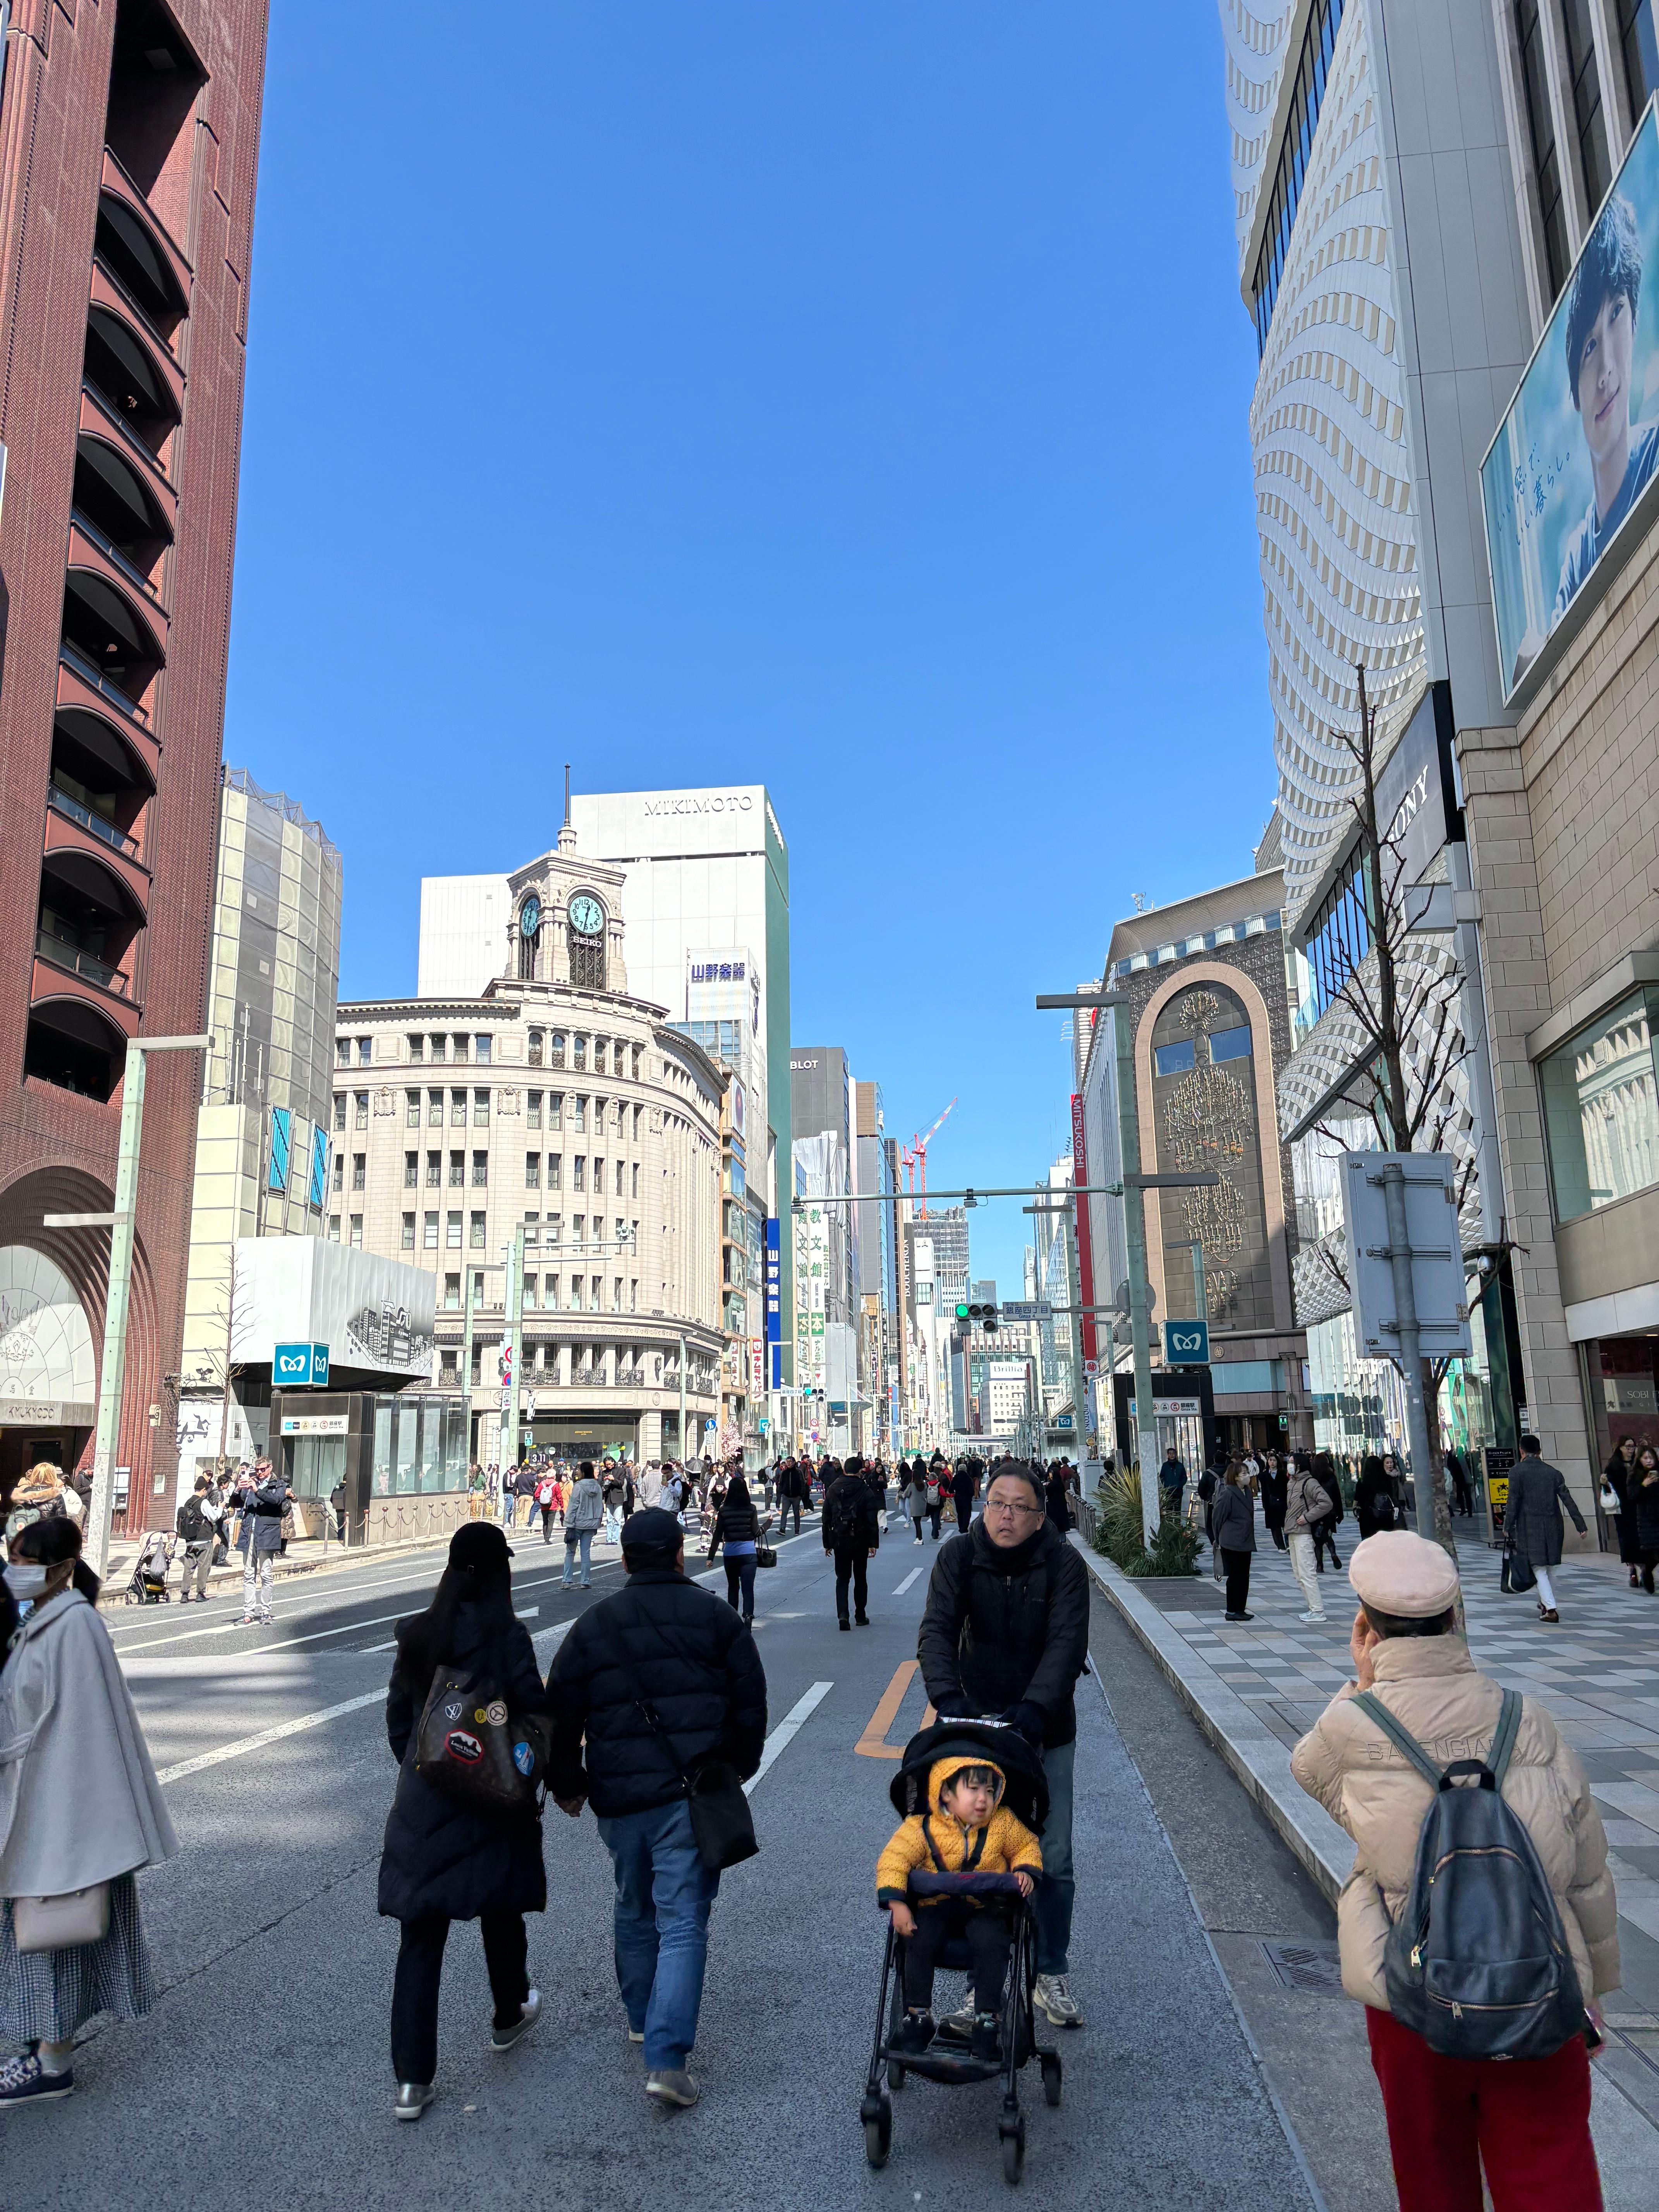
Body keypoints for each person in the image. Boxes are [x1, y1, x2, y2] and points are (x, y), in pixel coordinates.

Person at [1291, 1531, 1617, 2212]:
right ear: (1456, 1616)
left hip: (1415, 1995)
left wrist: (1363, 1681)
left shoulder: (1350, 1729)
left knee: (1432, 2180)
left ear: (1366, 1626)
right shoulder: (1528, 1719)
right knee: (1551, 2177)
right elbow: (1586, 1870)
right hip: (1537, 1984)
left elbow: (1307, 1771)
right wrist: (1592, 1993)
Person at [547, 1506, 766, 2110]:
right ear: (679, 1555)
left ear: (624, 1561)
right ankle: (667, 2059)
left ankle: (643, 2018)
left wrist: (568, 1781)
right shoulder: (716, 1617)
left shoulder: (594, 1625)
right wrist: (737, 1767)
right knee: (683, 1917)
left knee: (633, 1904)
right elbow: (750, 1703)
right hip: (689, 1793)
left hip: (618, 1797)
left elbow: (559, 1713)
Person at [0, 1515, 178, 2105]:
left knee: (51, 1938)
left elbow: (78, 1736)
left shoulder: (73, 1626)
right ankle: (44, 2052)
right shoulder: (46, 1620)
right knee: (40, 1939)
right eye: (12, 1559)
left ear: (60, 1569)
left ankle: (53, 2064)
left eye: (25, 1563)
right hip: (44, 1806)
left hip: (60, 1813)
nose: (14, 1571)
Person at [378, 1522, 551, 2121]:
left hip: (425, 1800)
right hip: (494, 1796)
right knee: (499, 1906)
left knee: (421, 1934)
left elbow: (400, 1724)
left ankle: (411, 2082)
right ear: (501, 1573)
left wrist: (432, 1769)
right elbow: (533, 1715)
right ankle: (509, 2013)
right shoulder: (509, 1637)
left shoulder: (418, 1635)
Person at [918, 1458, 1090, 2032]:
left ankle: (1050, 1970)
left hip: (1046, 1726)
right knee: (981, 1855)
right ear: (984, 1505)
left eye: (1020, 1507)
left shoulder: (1063, 1563)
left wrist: (1035, 1711)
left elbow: (1067, 1643)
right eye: (997, 1503)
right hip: (979, 1727)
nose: (1006, 1516)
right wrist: (949, 1699)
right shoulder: (959, 1556)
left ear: (1040, 1517)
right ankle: (982, 1987)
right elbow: (937, 1630)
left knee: (1054, 1855)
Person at [878, 1752, 1042, 2064]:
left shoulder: (1003, 1822)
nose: (983, 1800)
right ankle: (918, 2014)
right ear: (946, 1793)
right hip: (935, 1905)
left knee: (993, 1941)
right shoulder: (921, 1826)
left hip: (985, 1906)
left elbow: (1026, 1845)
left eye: (990, 1791)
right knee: (917, 1938)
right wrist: (898, 1903)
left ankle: (987, 2018)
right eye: (974, 1790)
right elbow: (894, 1860)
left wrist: (1024, 1869)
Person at [1551, 191, 1659, 632]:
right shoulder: (1577, 561)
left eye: (1616, 313)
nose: (1607, 369)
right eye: (1590, 347)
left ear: (1634, 322)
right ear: (1575, 393)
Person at [1508, 1434, 1589, 1625]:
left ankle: (1551, 1609)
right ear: (1540, 1451)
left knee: (1538, 1567)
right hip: (1554, 1526)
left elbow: (1513, 1501)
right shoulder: (1553, 1473)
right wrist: (1581, 1525)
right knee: (1550, 1567)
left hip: (1529, 1527)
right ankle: (1545, 1602)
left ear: (1521, 1451)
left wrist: (1507, 1525)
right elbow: (1568, 1500)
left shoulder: (1517, 1472)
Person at [823, 1457, 881, 1628]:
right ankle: (861, 1615)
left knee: (842, 1579)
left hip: (840, 1539)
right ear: (860, 1471)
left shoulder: (833, 1488)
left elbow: (826, 1518)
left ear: (844, 1470)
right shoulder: (865, 1490)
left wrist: (827, 1543)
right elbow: (872, 1519)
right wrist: (873, 1543)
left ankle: (843, 1616)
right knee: (860, 1578)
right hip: (861, 1539)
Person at [709, 1474, 769, 1626]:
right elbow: (756, 1532)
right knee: (748, 1588)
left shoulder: (724, 1510)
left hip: (730, 1553)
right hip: (748, 1553)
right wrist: (768, 1523)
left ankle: (733, 1619)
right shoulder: (751, 1509)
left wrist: (710, 1557)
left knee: (733, 1586)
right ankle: (748, 1615)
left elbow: (717, 1535)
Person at [236, 1461, 292, 1625]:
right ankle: (248, 1612)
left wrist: (257, 1490)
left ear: (270, 1468)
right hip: (249, 1533)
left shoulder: (278, 1485)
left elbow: (275, 1500)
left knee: (266, 1574)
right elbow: (236, 1504)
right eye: (257, 1469)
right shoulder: (251, 1483)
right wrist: (238, 1489)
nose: (259, 1472)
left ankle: (266, 1611)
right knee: (248, 1574)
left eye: (262, 1469)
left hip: (267, 1534)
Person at [1283, 1456, 1334, 1623]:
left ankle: (1318, 1611)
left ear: (1300, 1465)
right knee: (1299, 1574)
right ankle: (1313, 1608)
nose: (1290, 1465)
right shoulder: (1292, 1483)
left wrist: (1307, 1517)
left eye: (1293, 1462)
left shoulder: (1310, 1483)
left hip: (1304, 1533)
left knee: (1307, 1574)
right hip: (1292, 1532)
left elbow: (1326, 1503)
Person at [1210, 1459, 1255, 1622]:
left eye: (1247, 1473)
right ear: (1236, 1477)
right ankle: (1232, 1610)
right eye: (1244, 1474)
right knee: (1235, 1576)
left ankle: (1240, 1609)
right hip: (1231, 1541)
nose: (1247, 1476)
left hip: (1245, 1540)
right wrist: (1217, 1538)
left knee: (1244, 1576)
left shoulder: (1247, 1492)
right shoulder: (1228, 1493)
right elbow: (1217, 1517)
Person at [1603, 1435, 1640, 1585]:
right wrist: (1604, 1484)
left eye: (1633, 1447)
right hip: (1622, 1509)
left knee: (1641, 1538)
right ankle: (1632, 1569)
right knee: (1627, 1538)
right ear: (1620, 1448)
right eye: (1628, 1447)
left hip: (1639, 1506)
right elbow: (1609, 1490)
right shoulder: (1614, 1466)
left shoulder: (1639, 1463)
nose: (1631, 1450)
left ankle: (1645, 1568)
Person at [561, 1462, 604, 1589]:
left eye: (579, 1470)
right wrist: (597, 1523)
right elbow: (600, 1507)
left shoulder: (579, 1486)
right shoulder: (597, 1487)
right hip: (591, 1524)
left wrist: (568, 1523)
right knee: (586, 1553)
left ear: (584, 1472)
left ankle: (567, 1581)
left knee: (570, 1553)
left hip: (577, 1523)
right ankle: (585, 1581)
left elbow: (573, 1506)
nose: (577, 1472)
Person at [175, 1476, 217, 1602]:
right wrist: (220, 1508)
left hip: (190, 1541)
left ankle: (185, 1594)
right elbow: (214, 1517)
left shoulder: (188, 1502)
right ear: (204, 1490)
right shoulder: (204, 1502)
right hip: (204, 1540)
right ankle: (200, 1593)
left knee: (189, 1568)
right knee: (203, 1567)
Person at [1310, 1449, 1345, 1571]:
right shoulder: (1331, 1477)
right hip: (1330, 1513)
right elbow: (1337, 1497)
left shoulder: (1312, 1478)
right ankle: (1333, 1553)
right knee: (1328, 1535)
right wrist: (1340, 1514)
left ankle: (1319, 1565)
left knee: (1317, 1540)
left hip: (1316, 1512)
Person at [1632, 1444, 1659, 1594]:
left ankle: (1647, 1572)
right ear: (1640, 1460)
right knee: (1654, 1552)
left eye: (1651, 1458)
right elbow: (1632, 1497)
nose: (1649, 1461)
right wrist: (1644, 1485)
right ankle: (1647, 1572)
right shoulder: (1636, 1475)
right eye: (1645, 1458)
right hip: (1647, 1519)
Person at [1355, 1453, 1398, 1540]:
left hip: (1367, 1515)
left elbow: (1357, 1498)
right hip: (1385, 1514)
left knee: (1368, 1541)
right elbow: (1392, 1495)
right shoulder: (1386, 1479)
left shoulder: (1362, 1481)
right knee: (1386, 1541)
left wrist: (1355, 1509)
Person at [1260, 1451, 1288, 1551]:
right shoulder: (1264, 1475)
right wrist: (1265, 1504)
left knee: (1286, 1525)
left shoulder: (1283, 1474)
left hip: (1283, 1502)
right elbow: (1264, 1492)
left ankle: (1289, 1545)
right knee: (1275, 1527)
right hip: (1270, 1503)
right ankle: (1281, 1547)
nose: (1272, 1462)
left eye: (1274, 1461)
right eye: (1271, 1460)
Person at [775, 1456, 808, 1539]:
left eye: (790, 1462)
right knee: (784, 1513)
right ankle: (782, 1529)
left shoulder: (798, 1472)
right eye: (787, 1462)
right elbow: (781, 1483)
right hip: (786, 1496)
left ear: (794, 1463)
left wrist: (801, 1495)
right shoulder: (784, 1472)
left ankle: (797, 1530)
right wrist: (781, 1492)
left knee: (796, 1513)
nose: (788, 1463)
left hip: (796, 1497)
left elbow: (803, 1483)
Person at [1157, 1446, 1187, 1524]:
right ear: (1168, 1455)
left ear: (1176, 1455)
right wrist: (1166, 1485)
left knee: (1178, 1510)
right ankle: (1170, 1526)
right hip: (1169, 1491)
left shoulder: (1180, 1465)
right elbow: (1162, 1476)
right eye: (1170, 1454)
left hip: (1178, 1491)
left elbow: (1184, 1477)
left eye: (1173, 1454)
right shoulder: (1165, 1466)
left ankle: (1177, 1525)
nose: (1172, 1455)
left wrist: (1180, 1485)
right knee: (1169, 1509)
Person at [951, 1455, 981, 1532]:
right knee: (967, 1514)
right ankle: (964, 1528)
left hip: (958, 1498)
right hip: (967, 1498)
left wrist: (954, 1494)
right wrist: (971, 1496)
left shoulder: (956, 1478)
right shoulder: (968, 1478)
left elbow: (951, 1489)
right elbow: (972, 1489)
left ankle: (961, 1527)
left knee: (960, 1513)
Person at [1444, 1447, 1474, 1519]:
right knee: (1468, 1497)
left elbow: (1452, 1468)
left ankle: (1463, 1509)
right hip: (1467, 1481)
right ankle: (1469, 1512)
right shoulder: (1466, 1459)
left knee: (1461, 1496)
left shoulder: (1456, 1460)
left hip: (1460, 1481)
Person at [1045, 1459, 1074, 1533]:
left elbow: (1047, 1491)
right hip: (1061, 1504)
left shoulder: (1054, 1484)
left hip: (1055, 1506)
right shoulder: (1059, 1482)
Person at [926, 1457, 951, 1540]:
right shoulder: (943, 1476)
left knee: (933, 1516)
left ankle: (935, 1530)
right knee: (937, 1515)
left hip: (930, 1500)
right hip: (940, 1499)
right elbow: (948, 1484)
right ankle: (936, 1531)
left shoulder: (931, 1476)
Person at [601, 1467, 626, 1546]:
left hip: (618, 1497)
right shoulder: (604, 1472)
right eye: (607, 1464)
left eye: (610, 1464)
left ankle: (615, 1539)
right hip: (608, 1498)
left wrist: (613, 1480)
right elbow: (603, 1485)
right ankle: (609, 1539)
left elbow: (621, 1483)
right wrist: (606, 1481)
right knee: (609, 1519)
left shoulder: (620, 1470)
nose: (609, 1466)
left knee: (617, 1519)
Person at [329, 1476, 349, 1544]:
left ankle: (340, 1538)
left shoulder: (336, 1488)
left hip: (339, 1510)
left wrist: (338, 1505)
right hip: (347, 1511)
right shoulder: (349, 1488)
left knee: (340, 1525)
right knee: (347, 1525)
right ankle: (344, 1539)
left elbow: (331, 1499)